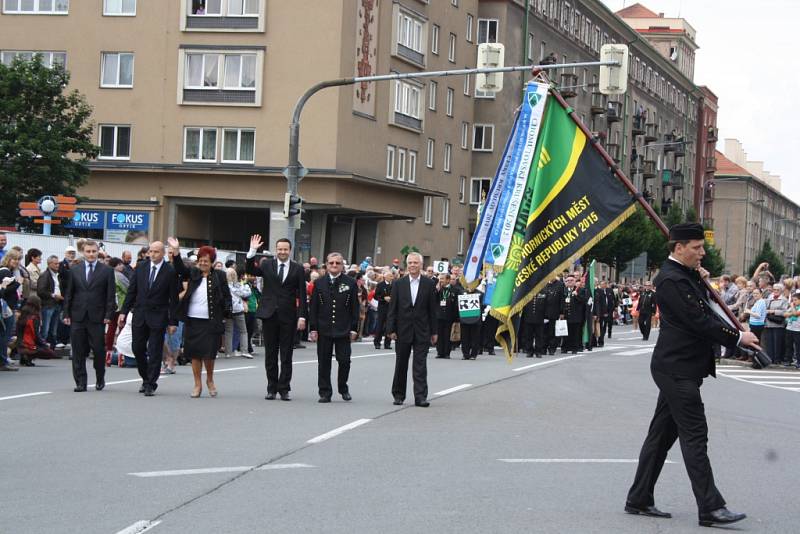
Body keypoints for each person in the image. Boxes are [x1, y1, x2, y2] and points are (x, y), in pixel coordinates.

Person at [626, 223, 758, 528]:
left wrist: (701, 282)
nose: (702, 252)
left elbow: (709, 307)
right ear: (678, 248)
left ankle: (639, 497)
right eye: (696, 247)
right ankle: (710, 507)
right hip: (676, 369)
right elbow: (698, 321)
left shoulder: (686, 277)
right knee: (695, 435)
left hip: (682, 366)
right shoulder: (671, 280)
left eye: (702, 247)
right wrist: (738, 339)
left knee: (660, 437)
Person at [246, 235, 307, 401]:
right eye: (279, 249)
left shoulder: (298, 268)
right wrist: (252, 251)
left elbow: (302, 293)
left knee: (286, 354)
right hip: (269, 314)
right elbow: (251, 270)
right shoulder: (267, 265)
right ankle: (271, 388)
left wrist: (302, 316)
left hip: (288, 316)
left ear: (290, 251)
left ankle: (284, 388)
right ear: (276, 250)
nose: (282, 252)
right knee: (270, 354)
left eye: (285, 249)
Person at [169, 239, 232, 398]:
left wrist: (226, 314)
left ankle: (210, 380)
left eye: (206, 260)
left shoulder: (220, 275)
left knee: (209, 353)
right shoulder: (193, 273)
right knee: (195, 353)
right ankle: (197, 384)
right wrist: (176, 252)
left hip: (212, 320)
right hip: (193, 319)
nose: (203, 263)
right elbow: (180, 268)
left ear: (212, 262)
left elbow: (227, 296)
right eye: (200, 260)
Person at [118, 241, 179, 397]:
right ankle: (145, 378)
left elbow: (173, 298)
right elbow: (132, 291)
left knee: (154, 349)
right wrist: (124, 312)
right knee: (137, 348)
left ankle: (151, 383)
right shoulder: (142, 267)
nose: (152, 254)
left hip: (158, 316)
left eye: (156, 252)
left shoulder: (169, 271)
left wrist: (173, 321)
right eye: (151, 251)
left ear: (163, 253)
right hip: (140, 314)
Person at [63, 240, 116, 392]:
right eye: (88, 251)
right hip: (78, 315)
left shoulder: (107, 271)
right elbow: (69, 294)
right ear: (83, 252)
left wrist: (109, 314)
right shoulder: (75, 270)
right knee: (78, 350)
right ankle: (81, 381)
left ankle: (100, 377)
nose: (91, 254)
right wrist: (66, 313)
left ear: (98, 251)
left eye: (94, 251)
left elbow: (110, 295)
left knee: (99, 350)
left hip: (97, 316)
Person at [386, 252, 439, 407]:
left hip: (422, 330)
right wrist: (391, 329)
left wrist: (434, 332)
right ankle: (398, 394)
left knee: (420, 365)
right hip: (402, 330)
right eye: (410, 263)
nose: (413, 265)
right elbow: (392, 309)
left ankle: (420, 396)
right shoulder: (398, 284)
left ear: (421, 265)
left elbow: (432, 311)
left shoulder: (428, 284)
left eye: (416, 263)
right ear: (406, 265)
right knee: (401, 363)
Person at [308, 252, 359, 402]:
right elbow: (314, 307)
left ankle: (343, 387)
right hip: (324, 328)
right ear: (327, 264)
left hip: (343, 329)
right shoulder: (319, 283)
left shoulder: (350, 282)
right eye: (331, 263)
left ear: (342, 265)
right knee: (323, 362)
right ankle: (325, 392)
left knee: (344, 361)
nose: (334, 265)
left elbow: (354, 307)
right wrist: (313, 328)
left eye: (337, 263)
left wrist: (354, 328)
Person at [15, 295, 56, 366]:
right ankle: (29, 356)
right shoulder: (35, 317)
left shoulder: (23, 313)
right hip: (29, 343)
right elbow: (36, 335)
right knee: (50, 353)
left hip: (20, 342)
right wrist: (45, 344)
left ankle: (24, 356)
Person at [1, 249, 24, 370]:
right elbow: (4, 291)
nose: (16, 262)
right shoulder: (5, 272)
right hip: (6, 308)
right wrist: (18, 283)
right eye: (14, 259)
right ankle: (3, 362)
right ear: (8, 259)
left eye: (18, 259)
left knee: (5, 335)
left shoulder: (8, 271)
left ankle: (4, 360)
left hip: (8, 307)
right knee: (5, 336)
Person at [36, 255, 64, 347]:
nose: (57, 265)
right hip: (48, 305)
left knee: (53, 328)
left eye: (58, 263)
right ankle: (42, 347)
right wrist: (53, 295)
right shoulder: (45, 275)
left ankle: (51, 348)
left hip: (56, 304)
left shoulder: (57, 275)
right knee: (45, 328)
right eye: (55, 264)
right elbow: (40, 291)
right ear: (49, 264)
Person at [223, 267, 251, 358]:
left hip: (228, 310)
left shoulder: (223, 285)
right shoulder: (238, 285)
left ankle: (228, 352)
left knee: (228, 331)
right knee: (243, 331)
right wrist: (245, 285)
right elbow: (246, 293)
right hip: (238, 309)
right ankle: (244, 350)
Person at [763, 283, 789, 365]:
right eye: (774, 289)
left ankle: (777, 359)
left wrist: (773, 311)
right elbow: (765, 308)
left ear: (781, 291)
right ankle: (770, 359)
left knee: (777, 343)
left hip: (778, 324)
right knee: (769, 343)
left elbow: (785, 312)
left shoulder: (784, 299)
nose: (776, 291)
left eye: (778, 290)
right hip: (768, 323)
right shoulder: (769, 298)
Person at [435, 273, 459, 359]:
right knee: (440, 334)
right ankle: (439, 352)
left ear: (448, 280)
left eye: (442, 279)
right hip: (439, 315)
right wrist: (436, 291)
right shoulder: (438, 289)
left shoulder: (455, 290)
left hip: (449, 316)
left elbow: (456, 304)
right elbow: (434, 300)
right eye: (440, 279)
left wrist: (456, 317)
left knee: (447, 334)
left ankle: (446, 353)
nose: (440, 280)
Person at [373, 269, 394, 349]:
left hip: (391, 308)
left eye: (392, 276)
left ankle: (387, 343)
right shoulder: (380, 285)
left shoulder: (394, 284)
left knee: (389, 326)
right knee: (380, 326)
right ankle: (377, 342)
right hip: (382, 307)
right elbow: (376, 296)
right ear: (385, 277)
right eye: (390, 276)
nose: (391, 277)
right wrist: (383, 298)